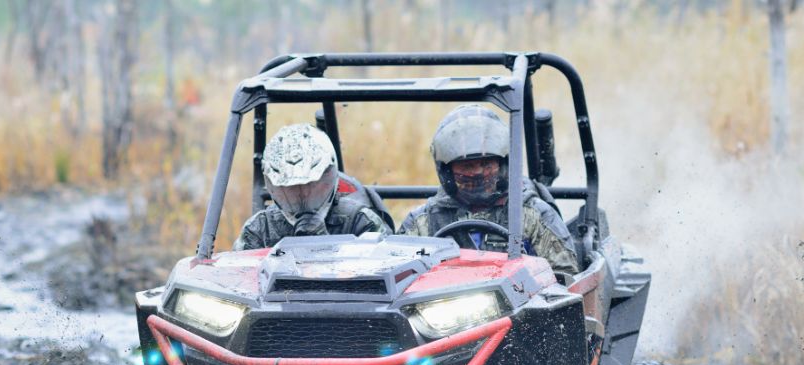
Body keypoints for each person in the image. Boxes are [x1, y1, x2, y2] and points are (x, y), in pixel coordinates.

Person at [398, 105, 579, 274]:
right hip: (437, 305)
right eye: (467, 166)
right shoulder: (422, 222)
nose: (477, 172)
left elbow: (565, 279)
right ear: (447, 172)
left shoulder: (532, 215)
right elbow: (398, 279)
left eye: (486, 164)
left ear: (502, 164)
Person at [233, 124, 392, 251]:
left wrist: (327, 247)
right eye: (291, 189)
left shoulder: (361, 222)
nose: (302, 196)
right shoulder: (259, 230)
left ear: (328, 177)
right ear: (274, 186)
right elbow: (240, 279)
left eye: (310, 185)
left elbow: (387, 271)